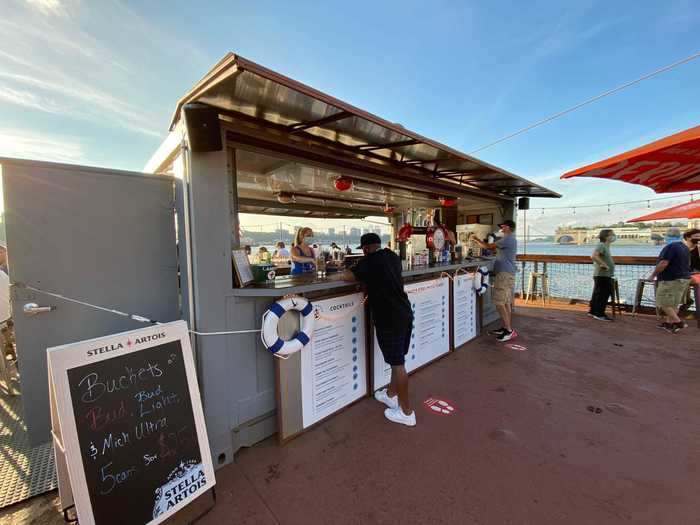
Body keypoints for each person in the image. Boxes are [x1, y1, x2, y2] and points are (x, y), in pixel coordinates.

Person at [336, 233, 415, 426]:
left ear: (364, 248)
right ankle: (391, 394)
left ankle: (407, 412)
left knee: (398, 364)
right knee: (397, 360)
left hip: (389, 319)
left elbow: (347, 276)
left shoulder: (368, 262)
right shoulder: (393, 256)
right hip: (404, 313)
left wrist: (345, 269)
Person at [470, 220, 518, 342]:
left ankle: (508, 331)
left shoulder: (508, 238)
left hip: (504, 275)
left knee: (499, 303)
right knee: (506, 302)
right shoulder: (510, 239)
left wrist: (476, 239)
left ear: (508, 227)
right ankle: (506, 327)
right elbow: (494, 249)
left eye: (502, 226)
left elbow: (488, 247)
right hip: (507, 273)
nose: (501, 228)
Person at [649, 228, 700, 333]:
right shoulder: (685, 248)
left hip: (671, 279)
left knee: (663, 302)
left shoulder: (671, 247)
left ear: (667, 236)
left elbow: (663, 263)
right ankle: (669, 324)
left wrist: (653, 275)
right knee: (673, 304)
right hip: (683, 279)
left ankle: (678, 323)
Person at [588, 229, 616, 321]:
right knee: (603, 294)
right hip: (602, 274)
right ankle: (599, 314)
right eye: (612, 235)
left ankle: (593, 311)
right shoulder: (601, 245)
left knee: (598, 293)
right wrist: (604, 264)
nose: (614, 236)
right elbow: (594, 256)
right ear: (606, 237)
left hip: (603, 274)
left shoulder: (606, 246)